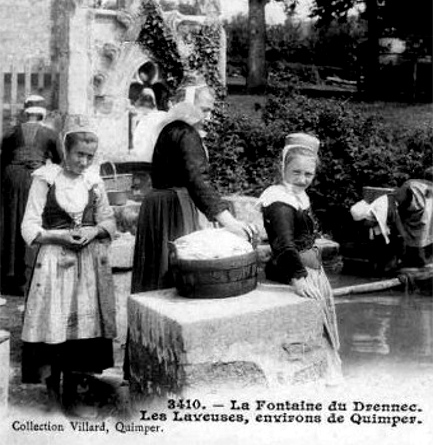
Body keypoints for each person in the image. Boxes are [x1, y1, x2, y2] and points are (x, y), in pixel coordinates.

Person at [20, 127, 117, 415]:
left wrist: (95, 230)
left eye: (90, 156)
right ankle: (52, 397)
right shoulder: (46, 180)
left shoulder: (93, 181)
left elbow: (110, 221)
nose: (84, 162)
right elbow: (28, 227)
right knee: (52, 328)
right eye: (79, 155)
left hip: (87, 265)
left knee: (83, 334)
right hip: (53, 264)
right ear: (66, 151)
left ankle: (77, 395)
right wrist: (57, 236)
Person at [130, 82, 255, 294]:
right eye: (204, 109)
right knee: (176, 273)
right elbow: (198, 179)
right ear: (187, 103)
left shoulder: (170, 129)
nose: (208, 116)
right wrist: (228, 221)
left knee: (158, 275)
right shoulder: (185, 133)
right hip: (173, 209)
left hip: (159, 206)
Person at [257, 132, 342, 384]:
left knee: (324, 328)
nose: (303, 179)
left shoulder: (296, 195)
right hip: (298, 270)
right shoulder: (279, 200)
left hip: (311, 268)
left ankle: (328, 373)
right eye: (296, 173)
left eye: (309, 174)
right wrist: (299, 278)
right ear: (283, 168)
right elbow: (283, 243)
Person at [1, 95, 63, 295]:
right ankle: (28, 276)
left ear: (25, 112)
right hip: (34, 178)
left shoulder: (10, 133)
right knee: (32, 220)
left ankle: (9, 278)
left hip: (11, 178)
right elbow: (60, 161)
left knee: (10, 223)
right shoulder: (50, 134)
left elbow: (2, 160)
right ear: (42, 114)